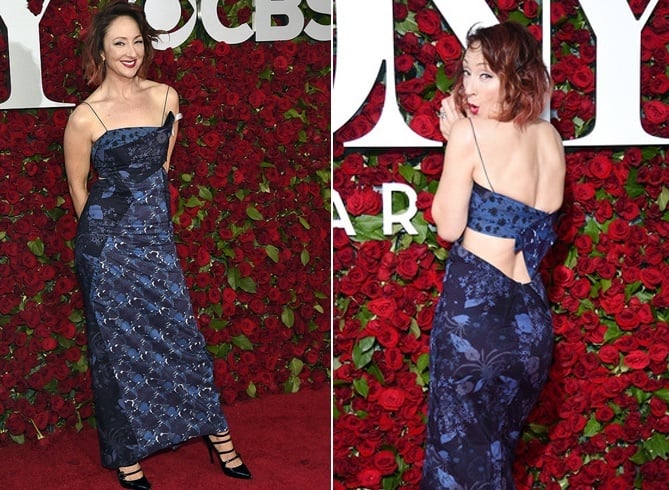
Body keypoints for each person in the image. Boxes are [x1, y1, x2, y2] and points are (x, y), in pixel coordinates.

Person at [63, 1, 251, 488]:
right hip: (107, 250)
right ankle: (128, 456)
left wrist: (150, 236)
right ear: (100, 51)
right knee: (119, 352)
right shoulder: (85, 117)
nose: (130, 51)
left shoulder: (166, 96)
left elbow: (161, 170)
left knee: (183, 340)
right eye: (119, 43)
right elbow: (80, 189)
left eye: (137, 41)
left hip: (156, 244)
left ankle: (218, 437)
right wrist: (106, 249)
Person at [422, 21, 565, 489]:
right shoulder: (550, 139)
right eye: (466, 73)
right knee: (497, 454)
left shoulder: (469, 133)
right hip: (531, 329)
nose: (469, 87)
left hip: (475, 326)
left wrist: (454, 142)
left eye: (486, 75)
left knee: (459, 463)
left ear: (518, 77)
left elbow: (447, 226)